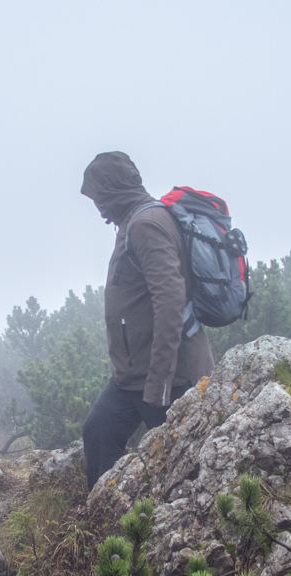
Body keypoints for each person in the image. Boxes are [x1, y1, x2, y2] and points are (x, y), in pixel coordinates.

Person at [80, 151, 215, 490]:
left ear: (113, 190)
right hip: (131, 376)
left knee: (178, 473)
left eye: (97, 195)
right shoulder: (132, 221)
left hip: (169, 376)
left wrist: (160, 384)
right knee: (98, 431)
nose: (96, 204)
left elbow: (170, 304)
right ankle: (101, 523)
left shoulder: (146, 225)